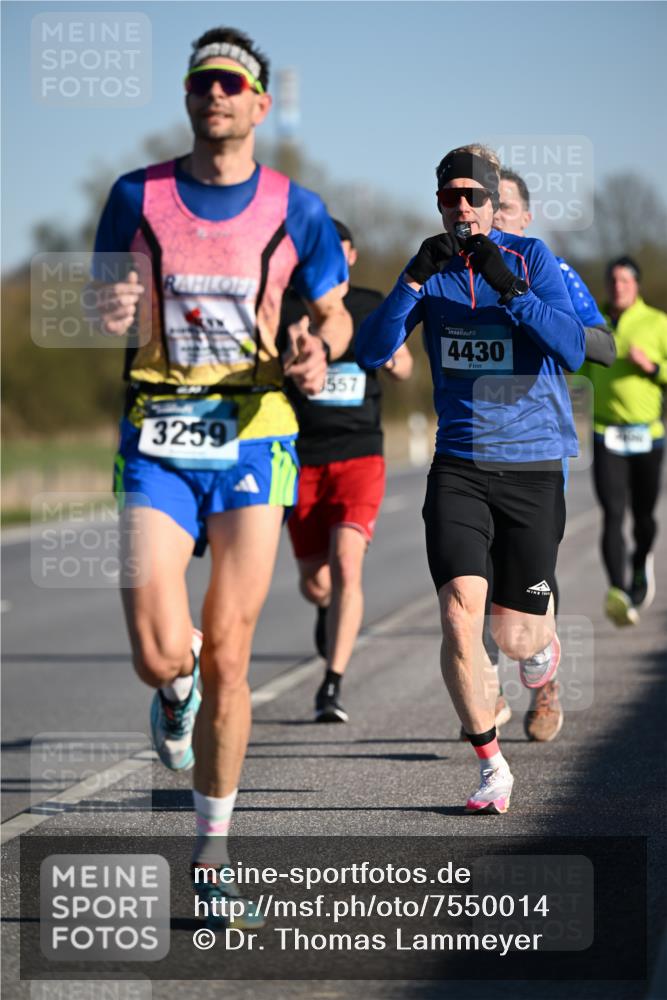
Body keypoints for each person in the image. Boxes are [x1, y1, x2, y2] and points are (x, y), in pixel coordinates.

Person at [87, 26, 351, 921]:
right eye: (202, 81)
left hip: (255, 435)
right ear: (189, 97)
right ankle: (175, 685)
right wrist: (112, 303)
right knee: (160, 651)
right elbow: (100, 295)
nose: (215, 94)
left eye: (232, 81)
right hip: (158, 433)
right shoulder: (137, 195)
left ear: (259, 104)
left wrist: (317, 352)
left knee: (233, 654)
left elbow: (334, 314)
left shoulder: (296, 208)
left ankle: (211, 850)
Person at [356, 143, 585, 814]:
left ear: (493, 202)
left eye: (473, 196)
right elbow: (372, 350)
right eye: (449, 196)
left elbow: (571, 349)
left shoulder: (530, 259)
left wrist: (510, 289)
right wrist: (409, 284)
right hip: (458, 463)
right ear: (437, 203)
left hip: (534, 462)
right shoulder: (425, 269)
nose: (461, 208)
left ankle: (541, 664)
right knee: (460, 614)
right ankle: (490, 766)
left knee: (516, 637)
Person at [491, 168, 616, 742]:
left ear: (525, 217)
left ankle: (545, 689)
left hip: (538, 447)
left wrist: (549, 323)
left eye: (504, 207)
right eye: (485, 206)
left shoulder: (551, 270)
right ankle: (487, 685)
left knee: (530, 570)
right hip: (472, 446)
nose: (493, 217)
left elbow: (603, 345)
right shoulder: (454, 268)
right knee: (476, 570)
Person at [280, 220, 413, 723]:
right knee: (316, 582)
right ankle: (324, 608)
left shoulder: (370, 303)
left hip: (361, 452)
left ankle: (331, 685)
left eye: (340, 251)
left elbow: (402, 362)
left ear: (352, 256)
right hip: (302, 457)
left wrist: (398, 363)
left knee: (346, 563)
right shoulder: (288, 306)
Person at [579, 256, 667, 626]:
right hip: (606, 433)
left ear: (636, 285)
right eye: (612, 280)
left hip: (648, 433)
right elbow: (578, 369)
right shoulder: (592, 322)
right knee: (613, 514)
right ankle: (618, 591)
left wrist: (652, 367)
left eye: (624, 281)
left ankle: (640, 560)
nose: (618, 286)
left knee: (644, 516)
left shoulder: (658, 323)